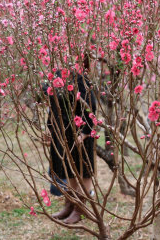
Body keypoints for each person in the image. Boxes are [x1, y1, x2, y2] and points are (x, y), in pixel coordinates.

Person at [47, 58, 97, 225]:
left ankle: (80, 209)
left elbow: (91, 105)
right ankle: (70, 205)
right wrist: (50, 126)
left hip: (80, 133)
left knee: (84, 171)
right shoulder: (59, 76)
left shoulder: (81, 77)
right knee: (70, 169)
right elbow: (53, 102)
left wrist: (85, 132)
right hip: (65, 131)